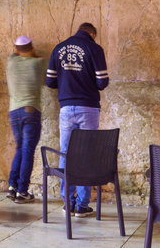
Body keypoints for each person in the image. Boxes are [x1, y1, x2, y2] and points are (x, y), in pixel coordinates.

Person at [45, 22, 109, 217]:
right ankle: (82, 205)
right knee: (86, 154)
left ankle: (68, 203)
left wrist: (67, 82)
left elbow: (49, 81)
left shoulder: (58, 48)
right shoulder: (95, 48)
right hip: (88, 107)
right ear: (93, 34)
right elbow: (102, 82)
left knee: (66, 153)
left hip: (65, 107)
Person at [6, 36, 46, 203]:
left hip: (14, 112)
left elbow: (15, 53)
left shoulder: (11, 61)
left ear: (16, 50)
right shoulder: (39, 63)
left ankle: (12, 187)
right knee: (27, 151)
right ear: (32, 47)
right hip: (31, 111)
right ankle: (22, 190)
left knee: (19, 149)